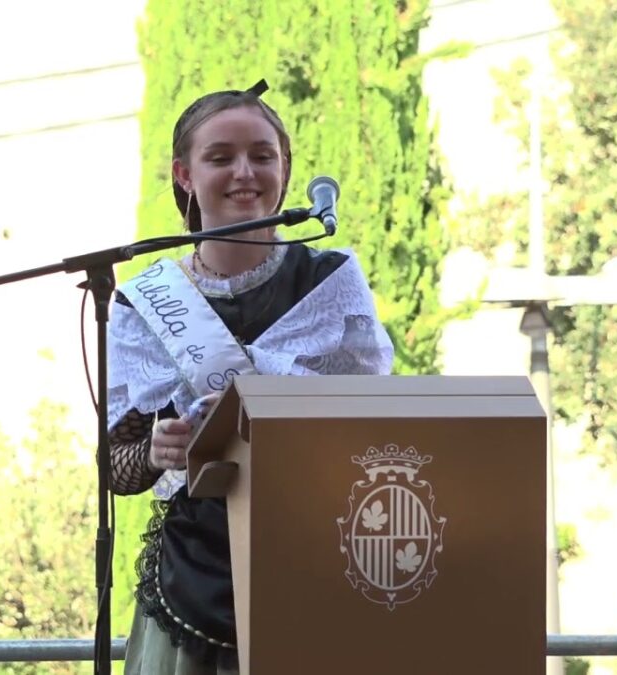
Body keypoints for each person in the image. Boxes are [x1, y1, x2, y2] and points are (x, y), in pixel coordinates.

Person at [106, 80, 394, 675]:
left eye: (262, 155)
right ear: (184, 175)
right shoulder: (145, 303)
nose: (245, 172)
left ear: (285, 170)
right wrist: (158, 452)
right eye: (221, 157)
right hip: (192, 582)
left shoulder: (330, 282)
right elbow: (116, 467)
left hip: (317, 561)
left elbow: (376, 433)